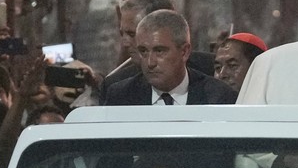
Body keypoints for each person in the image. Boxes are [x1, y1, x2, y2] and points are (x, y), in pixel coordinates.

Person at [101, 10, 237, 106]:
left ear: (184, 52)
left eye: (159, 51)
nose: (150, 63)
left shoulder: (218, 96)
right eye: (143, 51)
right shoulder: (120, 97)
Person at [98, 0, 177, 95]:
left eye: (132, 34)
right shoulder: (115, 87)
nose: (125, 44)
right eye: (122, 34)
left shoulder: (205, 71)